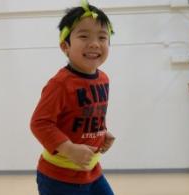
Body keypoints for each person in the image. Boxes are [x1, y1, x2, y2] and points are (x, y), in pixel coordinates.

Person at [30, 0, 116, 194]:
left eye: (102, 37)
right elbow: (40, 123)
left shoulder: (103, 79)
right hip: (59, 177)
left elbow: (89, 112)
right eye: (84, 36)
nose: (94, 43)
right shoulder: (60, 84)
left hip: (92, 172)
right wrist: (69, 149)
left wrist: (102, 132)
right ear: (65, 46)